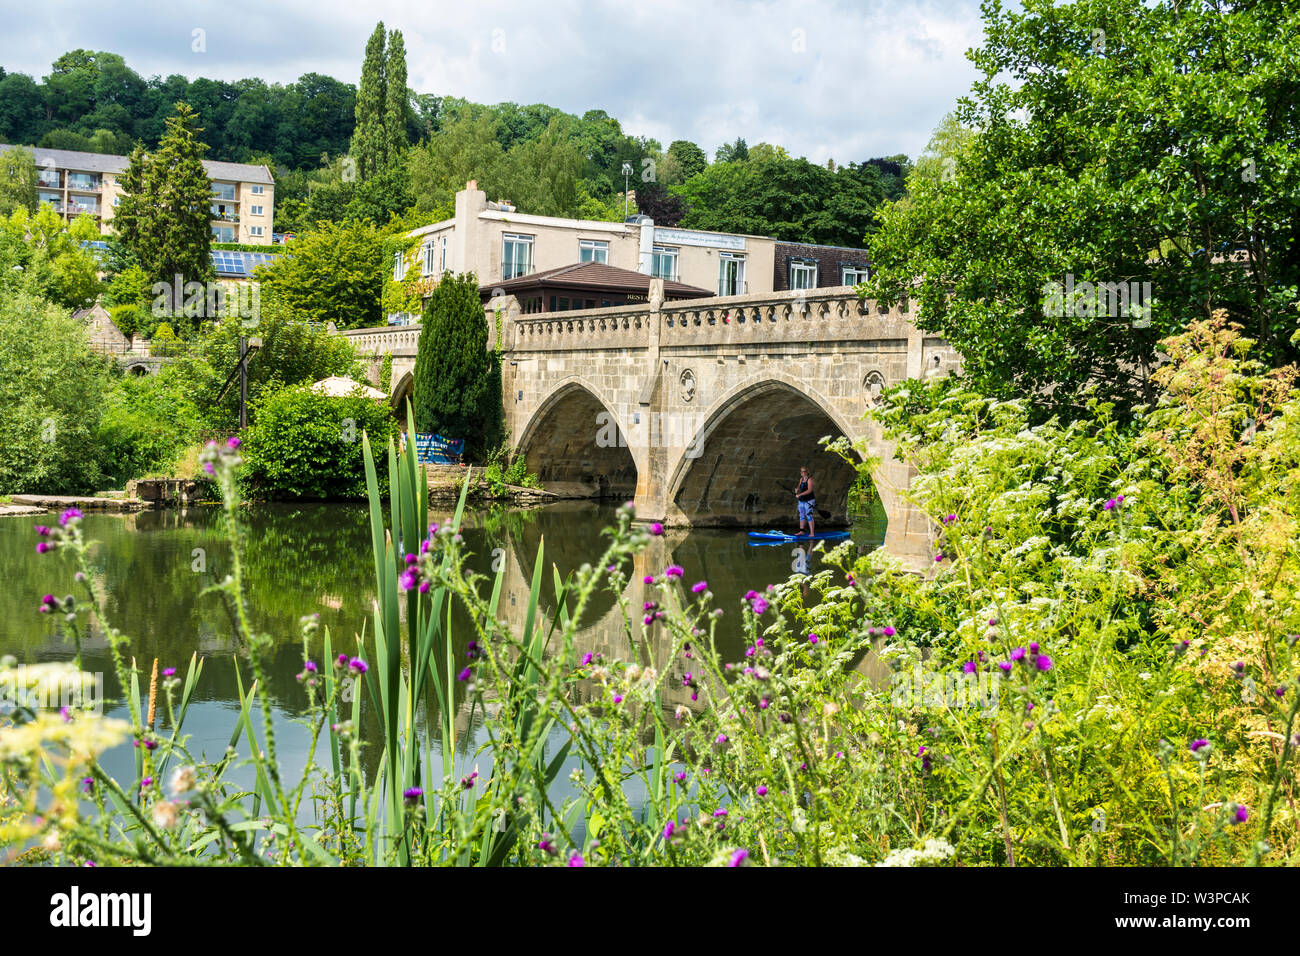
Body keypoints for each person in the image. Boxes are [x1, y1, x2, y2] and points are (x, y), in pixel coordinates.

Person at [795, 466, 816, 537]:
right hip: (801, 500)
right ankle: (802, 531)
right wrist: (797, 489)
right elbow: (799, 486)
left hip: (809, 500)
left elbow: (809, 490)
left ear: (807, 472)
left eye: (803, 471)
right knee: (801, 515)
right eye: (801, 471)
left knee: (809, 515)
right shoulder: (801, 479)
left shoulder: (810, 480)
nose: (802, 473)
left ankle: (812, 533)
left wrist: (800, 494)